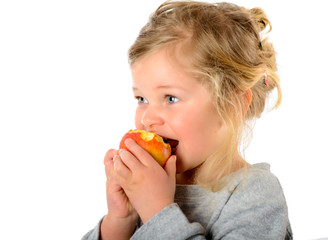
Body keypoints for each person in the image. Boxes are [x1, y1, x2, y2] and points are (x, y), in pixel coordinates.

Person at [82, 1, 292, 239]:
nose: (147, 118)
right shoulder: (148, 181)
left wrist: (157, 211)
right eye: (141, 98)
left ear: (232, 105)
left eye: (170, 98)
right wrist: (120, 220)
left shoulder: (256, 194)